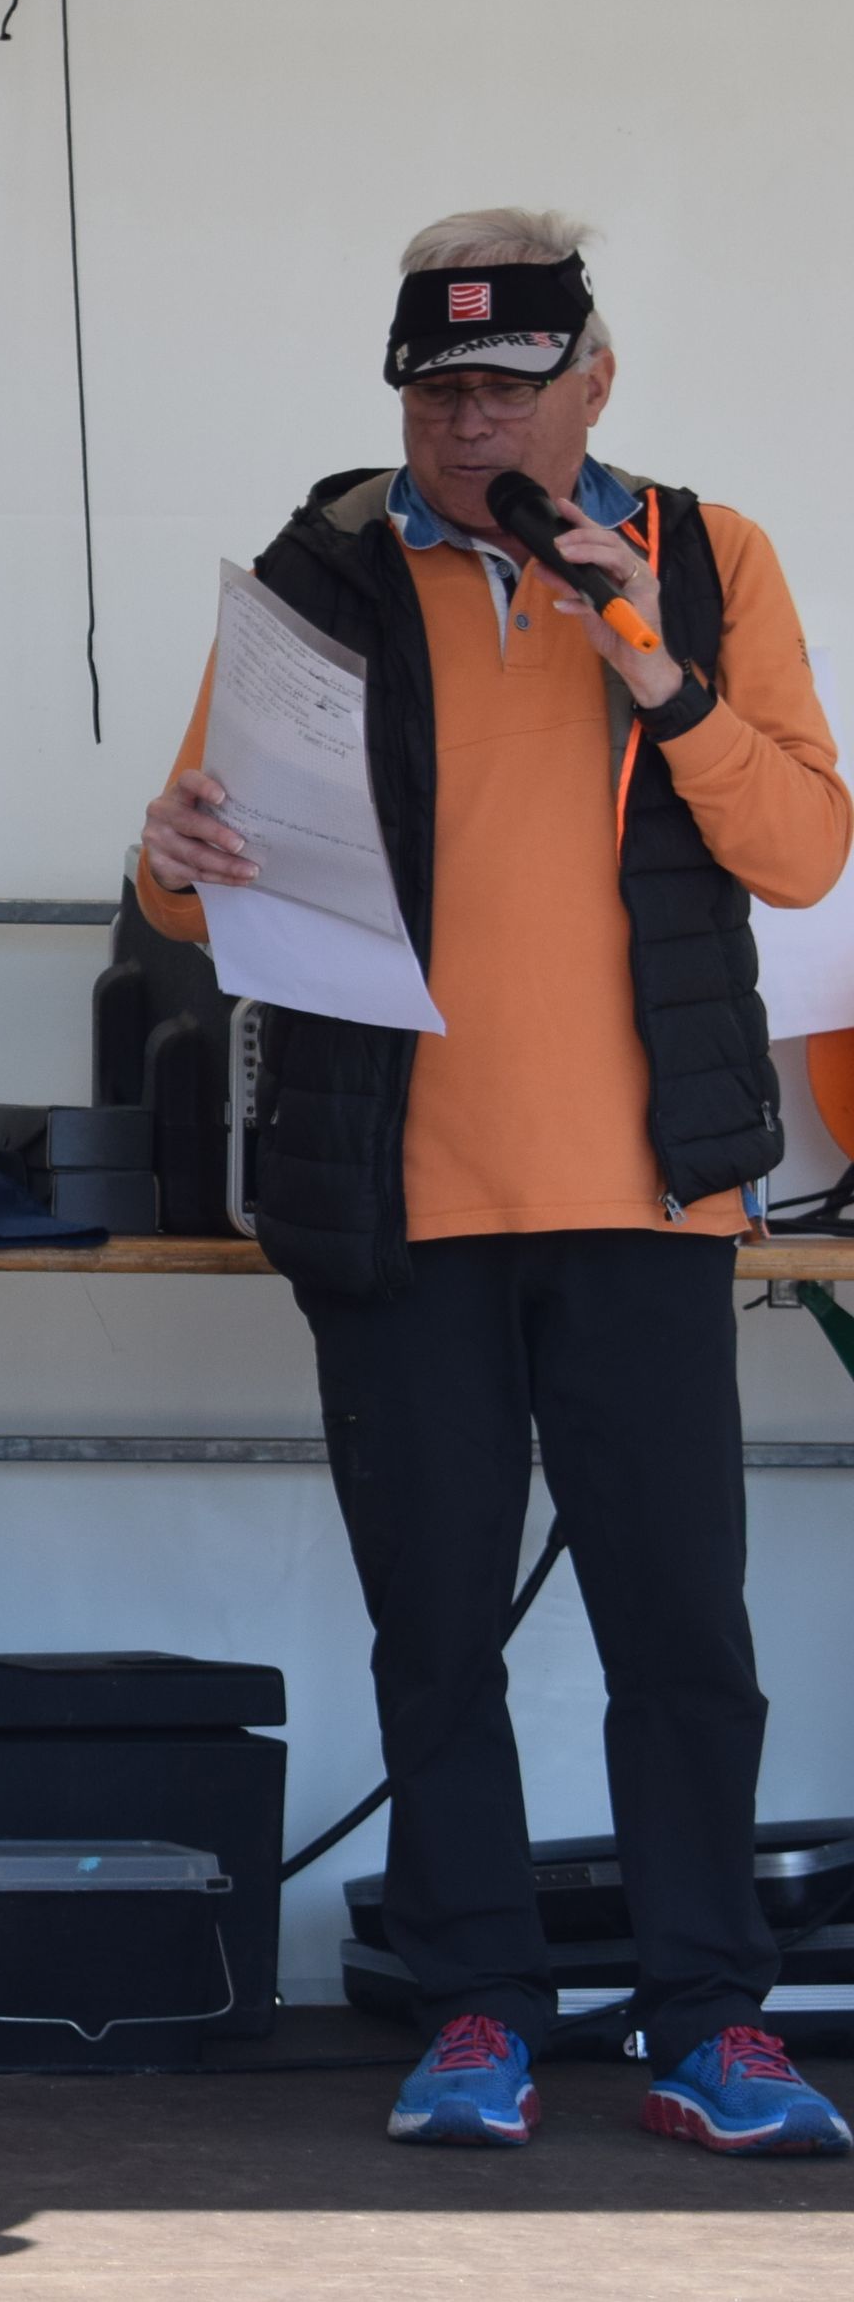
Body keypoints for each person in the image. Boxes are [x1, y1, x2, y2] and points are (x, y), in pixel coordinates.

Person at [139, 211, 853, 2157]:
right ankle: (474, 2010)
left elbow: (803, 852)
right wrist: (167, 848)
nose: (467, 424)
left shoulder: (707, 558)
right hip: (397, 1197)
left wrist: (652, 658)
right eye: (434, 390)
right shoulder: (319, 574)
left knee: (679, 1632)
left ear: (591, 383)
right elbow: (189, 883)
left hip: (646, 1194)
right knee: (433, 1631)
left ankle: (711, 2022)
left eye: (504, 389)